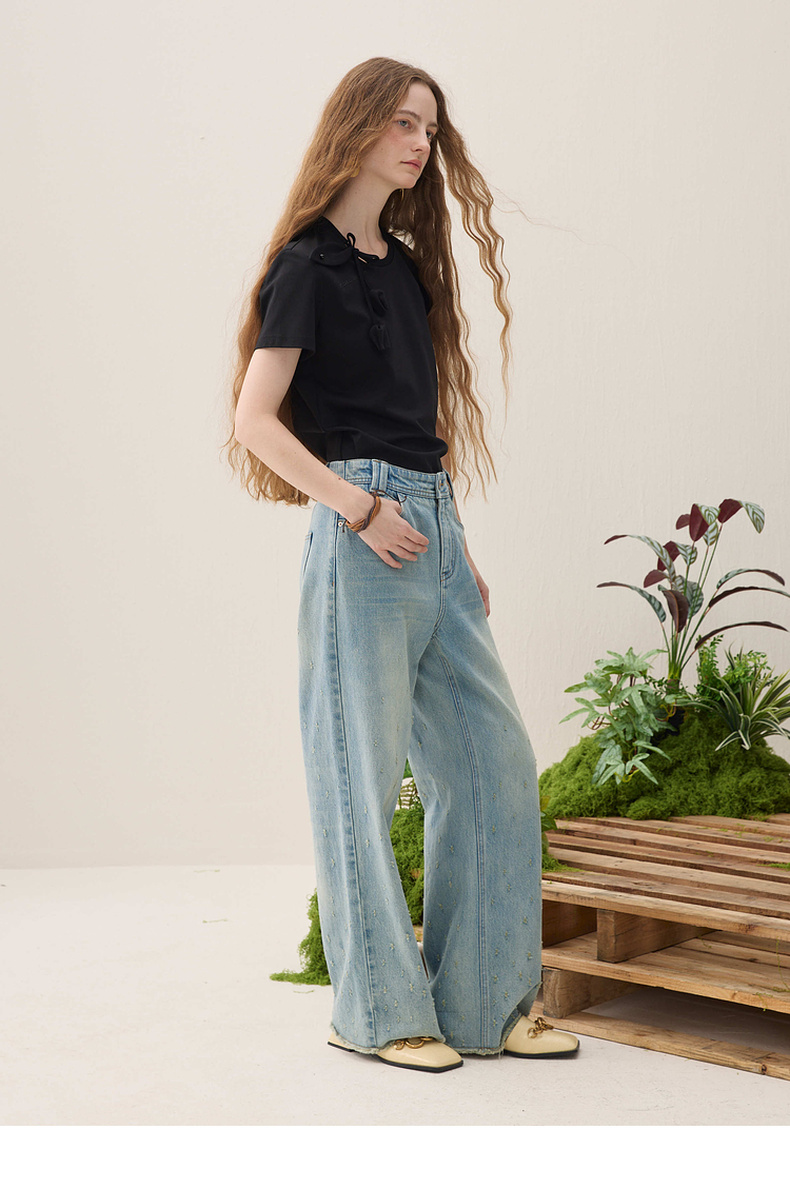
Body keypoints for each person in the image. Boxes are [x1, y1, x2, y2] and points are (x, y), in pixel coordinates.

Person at [225, 57, 579, 1072]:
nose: (418, 142)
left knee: (493, 765)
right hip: (362, 530)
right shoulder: (305, 266)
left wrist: (455, 544)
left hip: (431, 524)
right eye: (400, 123)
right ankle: (375, 1010)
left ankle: (484, 1003)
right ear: (356, 128)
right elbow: (255, 419)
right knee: (361, 776)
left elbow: (420, 431)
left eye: (428, 126)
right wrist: (358, 507)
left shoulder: (404, 268)